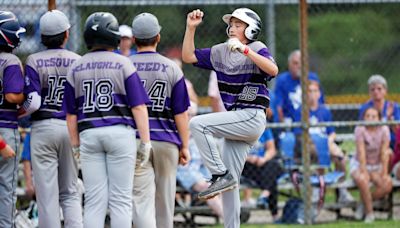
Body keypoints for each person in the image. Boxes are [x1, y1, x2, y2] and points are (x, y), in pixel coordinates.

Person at [182, 8, 278, 228]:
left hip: (252, 116)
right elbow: (188, 56)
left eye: (238, 24)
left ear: (251, 29)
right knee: (230, 185)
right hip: (237, 120)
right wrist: (190, 28)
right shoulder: (221, 51)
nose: (232, 28)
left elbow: (272, 70)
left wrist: (246, 51)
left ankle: (218, 174)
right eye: (231, 24)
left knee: (197, 124)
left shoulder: (256, 47)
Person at [63, 12, 151, 228]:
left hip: (89, 134)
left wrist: (75, 146)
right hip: (120, 133)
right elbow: (138, 107)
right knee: (120, 200)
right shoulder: (124, 64)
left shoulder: (76, 66)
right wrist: (145, 141)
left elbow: (71, 114)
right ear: (113, 37)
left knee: (94, 201)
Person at [18, 10, 83, 228]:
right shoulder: (78, 60)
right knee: (71, 191)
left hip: (43, 127)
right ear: (66, 34)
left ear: (42, 36)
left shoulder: (34, 60)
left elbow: (33, 102)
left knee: (47, 196)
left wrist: (20, 112)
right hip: (71, 127)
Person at [129, 13, 190, 228]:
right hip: (167, 140)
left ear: (134, 39)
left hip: (136, 140)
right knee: (165, 201)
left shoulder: (125, 65)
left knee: (141, 201)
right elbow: (181, 112)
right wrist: (185, 145)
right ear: (158, 37)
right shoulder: (172, 68)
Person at [293, 81, 353, 203]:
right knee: (325, 150)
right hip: (309, 144)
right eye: (309, 91)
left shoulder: (324, 111)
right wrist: (323, 144)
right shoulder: (301, 110)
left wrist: (327, 142)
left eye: (315, 91)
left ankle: (342, 190)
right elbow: (299, 134)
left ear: (319, 94)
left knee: (340, 158)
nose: (312, 94)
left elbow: (332, 132)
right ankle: (316, 189)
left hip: (326, 144)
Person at [0, 10, 26, 227]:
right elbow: (11, 95)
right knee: (6, 187)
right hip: (5, 130)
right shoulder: (10, 60)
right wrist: (25, 95)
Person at [352, 107, 393, 223]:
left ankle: (362, 203)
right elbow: (361, 152)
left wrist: (384, 173)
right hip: (360, 163)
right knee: (362, 180)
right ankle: (370, 213)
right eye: (368, 116)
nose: (370, 119)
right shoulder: (360, 129)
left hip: (376, 164)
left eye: (374, 116)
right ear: (363, 118)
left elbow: (385, 152)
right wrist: (364, 170)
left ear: (379, 119)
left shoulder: (384, 129)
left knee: (387, 185)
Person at [240, 128, 283, 222]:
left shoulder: (265, 129)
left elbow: (272, 149)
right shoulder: (240, 128)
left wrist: (264, 159)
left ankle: (265, 194)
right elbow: (234, 152)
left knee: (274, 166)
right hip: (246, 165)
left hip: (263, 165)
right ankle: (274, 215)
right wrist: (251, 158)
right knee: (272, 178)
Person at [273, 49, 324, 123]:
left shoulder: (313, 78)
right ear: (289, 64)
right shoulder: (282, 80)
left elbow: (320, 103)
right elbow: (279, 106)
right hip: (290, 121)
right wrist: (284, 125)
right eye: (295, 63)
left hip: (312, 120)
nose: (299, 66)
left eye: (302, 63)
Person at [358, 74, 400, 149]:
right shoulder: (365, 108)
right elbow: (365, 129)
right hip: (372, 143)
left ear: (385, 91)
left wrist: (391, 120)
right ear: (369, 92)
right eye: (372, 89)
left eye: (379, 89)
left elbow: (397, 131)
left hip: (392, 142)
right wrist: (385, 116)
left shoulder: (393, 106)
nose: (376, 92)